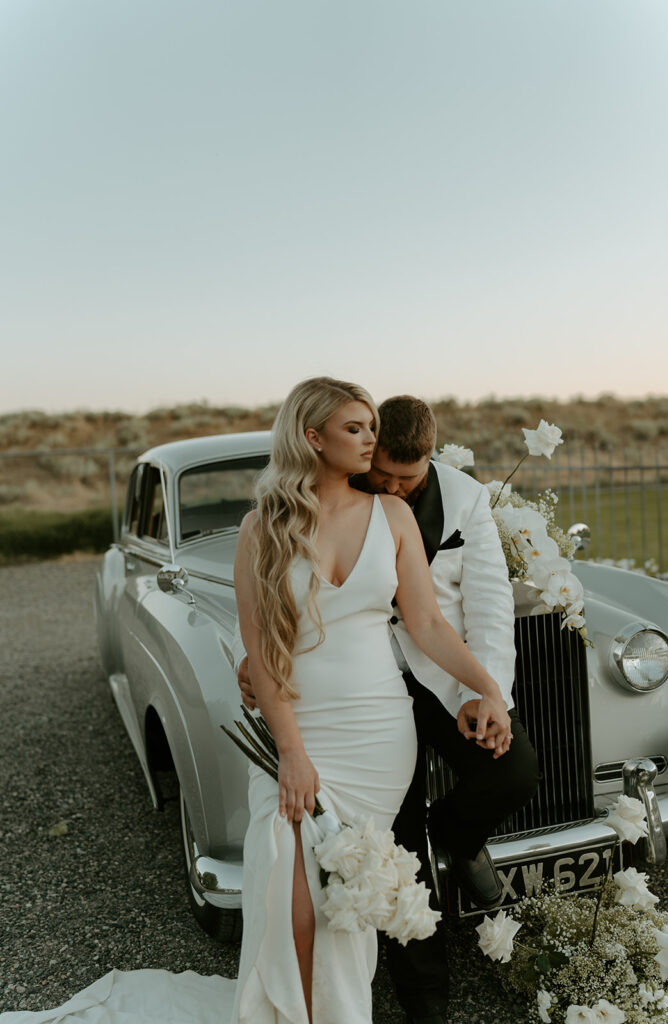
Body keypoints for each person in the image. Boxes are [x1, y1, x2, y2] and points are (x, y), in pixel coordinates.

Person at [240, 394, 539, 1024]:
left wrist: (490, 693)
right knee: (297, 887)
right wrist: (285, 739)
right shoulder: (262, 525)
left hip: (396, 712)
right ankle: (369, 1006)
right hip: (314, 719)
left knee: (385, 862)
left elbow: (441, 621)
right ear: (313, 436)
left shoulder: (408, 511)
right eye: (358, 430)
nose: (374, 448)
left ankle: (377, 996)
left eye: (373, 429)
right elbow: (266, 644)